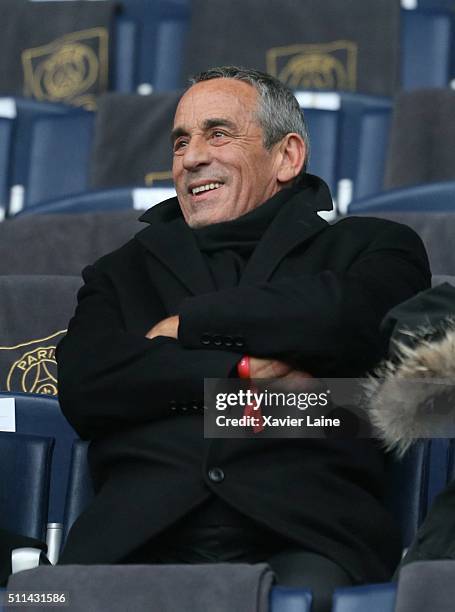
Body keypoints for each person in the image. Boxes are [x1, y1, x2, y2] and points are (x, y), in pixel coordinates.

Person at [57, 66, 431, 612]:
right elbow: (87, 386)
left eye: (218, 133)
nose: (190, 157)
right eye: (180, 141)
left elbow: (344, 320)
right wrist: (245, 377)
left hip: (306, 533)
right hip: (131, 535)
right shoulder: (120, 272)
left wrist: (191, 327)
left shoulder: (375, 248)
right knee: (38, 600)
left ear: (287, 156)